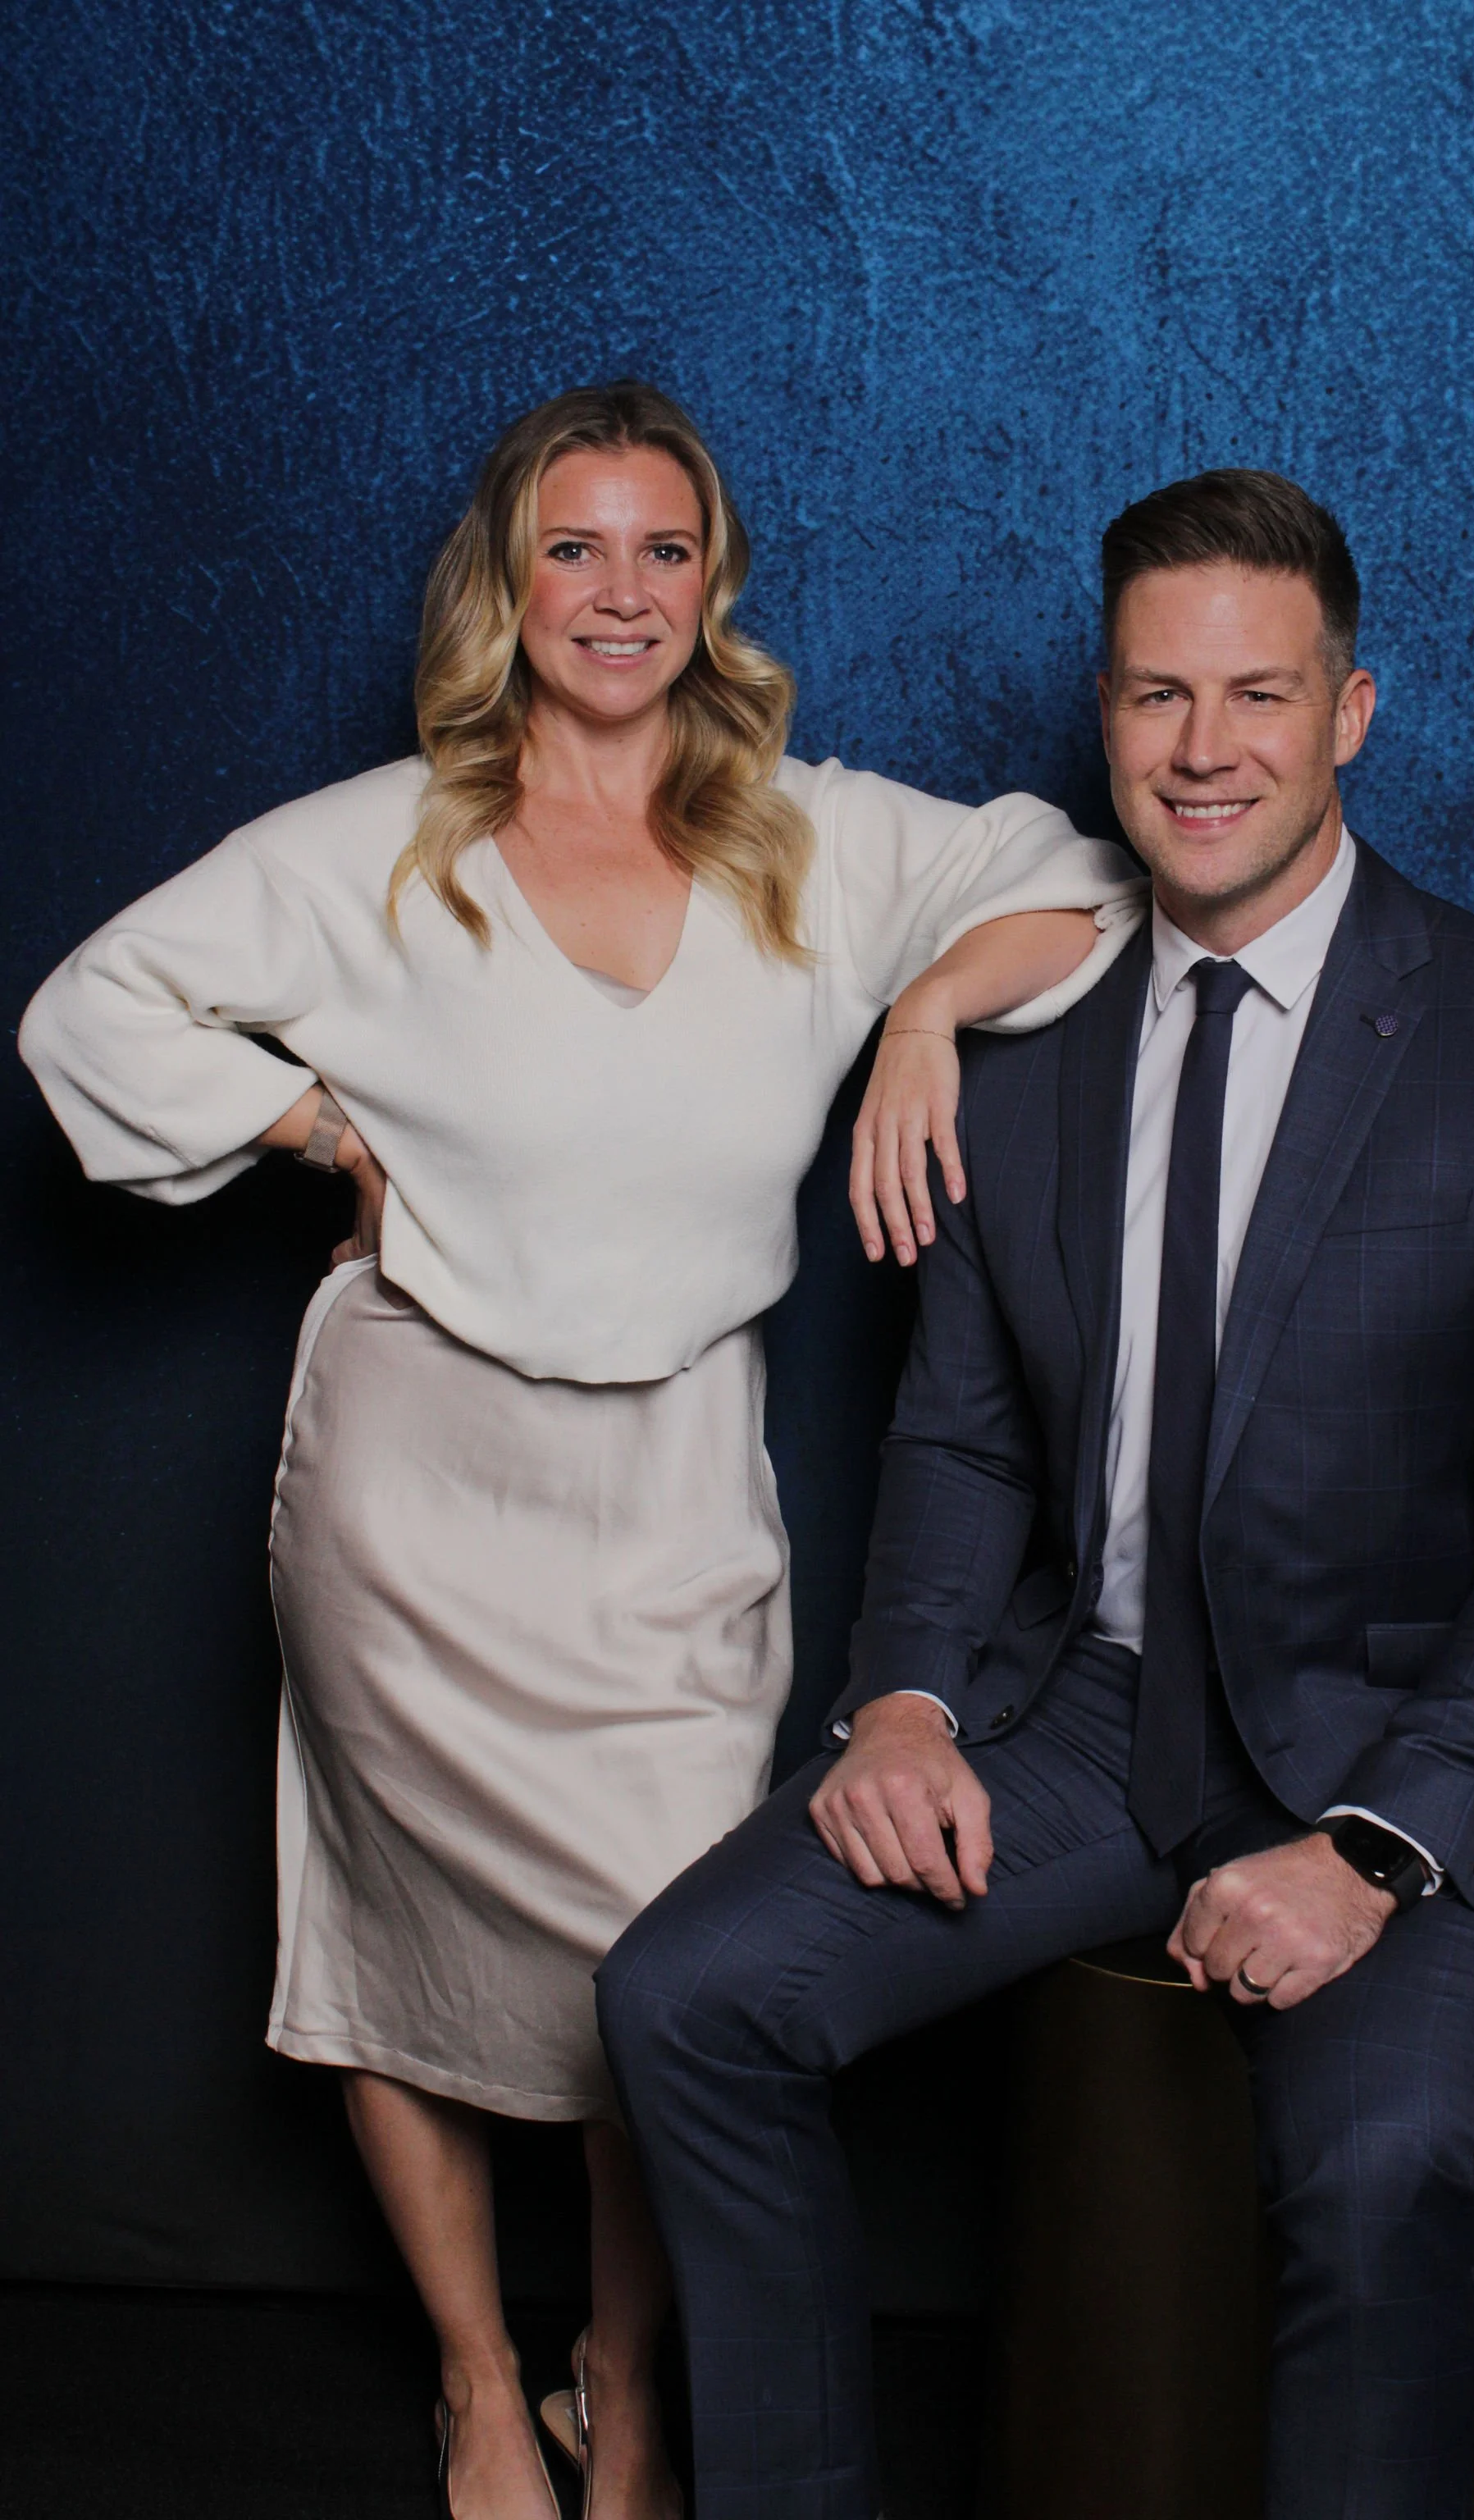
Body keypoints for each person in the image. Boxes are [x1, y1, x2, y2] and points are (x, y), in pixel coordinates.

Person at [17, 381, 1146, 2520]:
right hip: (411, 1488)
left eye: (661, 549)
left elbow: (1077, 879)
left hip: (672, 1509)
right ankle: (473, 2387)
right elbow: (88, 1017)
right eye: (573, 549)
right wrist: (313, 1128)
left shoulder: (806, 842)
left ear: (712, 584)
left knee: (668, 1980)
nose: (618, 593)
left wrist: (918, 1011)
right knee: (385, 1943)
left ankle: (627, 2399)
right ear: (506, 585)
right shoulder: (374, 847)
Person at [597, 468, 1474, 2520]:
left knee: (1371, 2170)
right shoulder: (1029, 1046)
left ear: (1349, 711)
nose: (1204, 751)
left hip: (1400, 1742)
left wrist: (1368, 1845)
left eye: (1257, 696)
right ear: (1101, 713)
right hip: (1085, 1718)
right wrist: (901, 1697)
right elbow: (963, 1436)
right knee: (686, 2000)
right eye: (1157, 698)